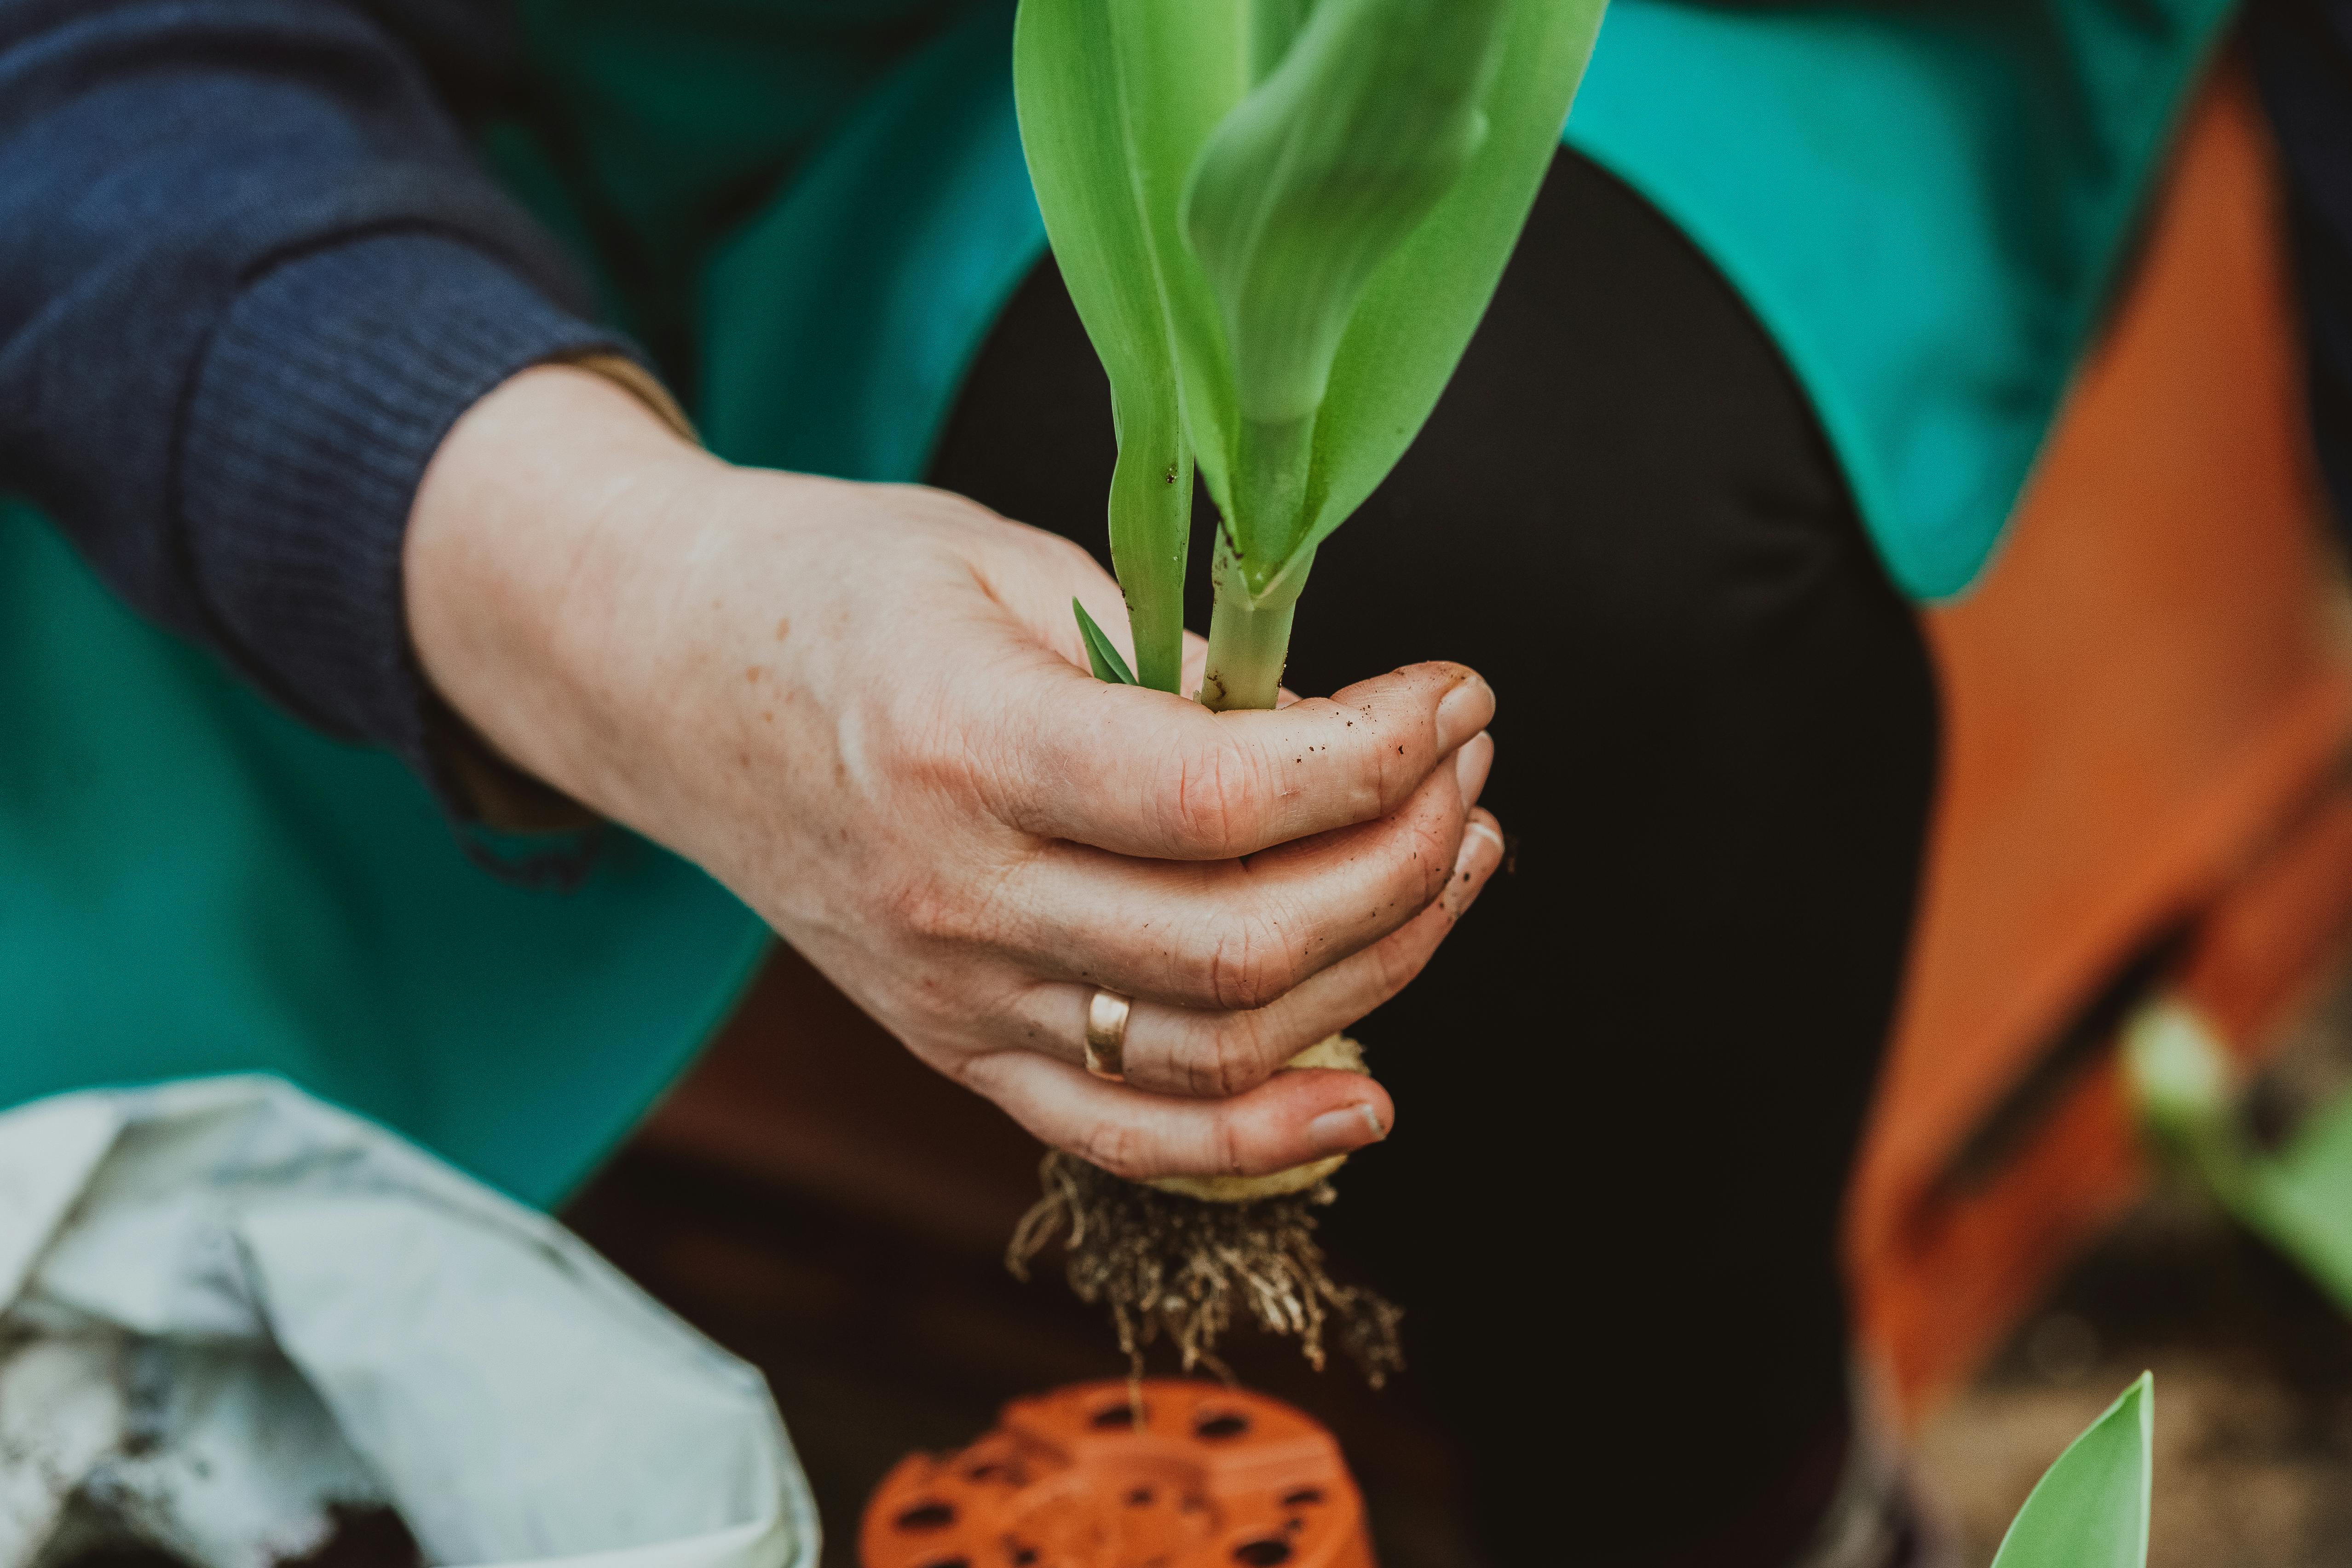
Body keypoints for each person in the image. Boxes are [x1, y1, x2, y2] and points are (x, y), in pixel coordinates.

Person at [0, 0, 2235, 1563]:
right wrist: (617, 593)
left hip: (1485, 61)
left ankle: (1737, 1501)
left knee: (1518, 512)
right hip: (374, 133)